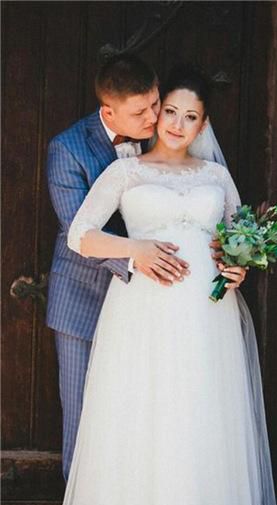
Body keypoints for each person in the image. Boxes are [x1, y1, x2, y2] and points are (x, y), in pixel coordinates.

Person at [54, 64, 277, 505]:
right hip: (142, 314)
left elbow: (238, 241)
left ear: (204, 125)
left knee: (199, 417)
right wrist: (134, 250)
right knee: (143, 415)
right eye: (169, 111)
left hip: (206, 318)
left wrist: (241, 270)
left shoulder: (217, 176)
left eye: (190, 116)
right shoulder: (125, 171)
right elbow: (79, 235)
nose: (176, 123)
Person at [46, 52, 246, 481]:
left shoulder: (206, 169)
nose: (159, 118)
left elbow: (233, 234)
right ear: (110, 112)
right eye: (147, 111)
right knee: (88, 422)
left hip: (183, 310)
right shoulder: (68, 149)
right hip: (89, 298)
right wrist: (141, 255)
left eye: (160, 105)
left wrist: (236, 264)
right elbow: (75, 229)